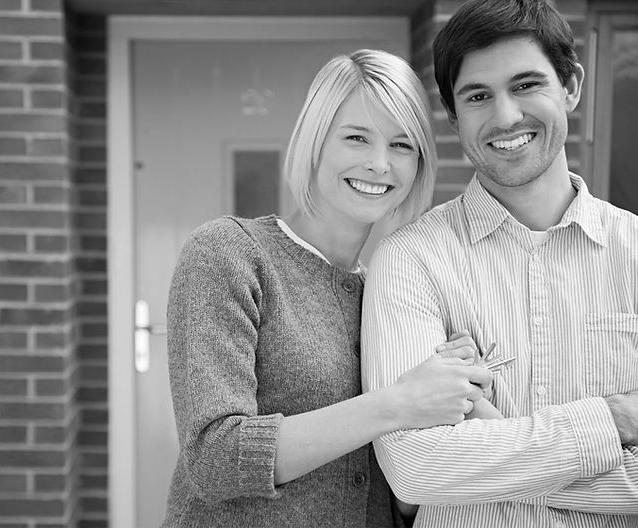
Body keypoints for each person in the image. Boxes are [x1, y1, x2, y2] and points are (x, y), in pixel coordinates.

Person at [162, 49, 493, 528]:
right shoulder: (229, 253)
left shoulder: (392, 294)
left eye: (402, 145)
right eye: (357, 137)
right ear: (315, 142)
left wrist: (451, 397)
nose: (380, 164)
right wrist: (397, 403)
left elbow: (399, 496)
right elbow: (214, 458)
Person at [361, 1, 638, 527]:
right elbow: (415, 467)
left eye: (527, 84)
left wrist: (489, 455)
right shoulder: (410, 259)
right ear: (453, 114)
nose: (506, 116)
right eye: (478, 96)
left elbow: (446, 469)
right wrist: (616, 419)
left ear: (571, 87)